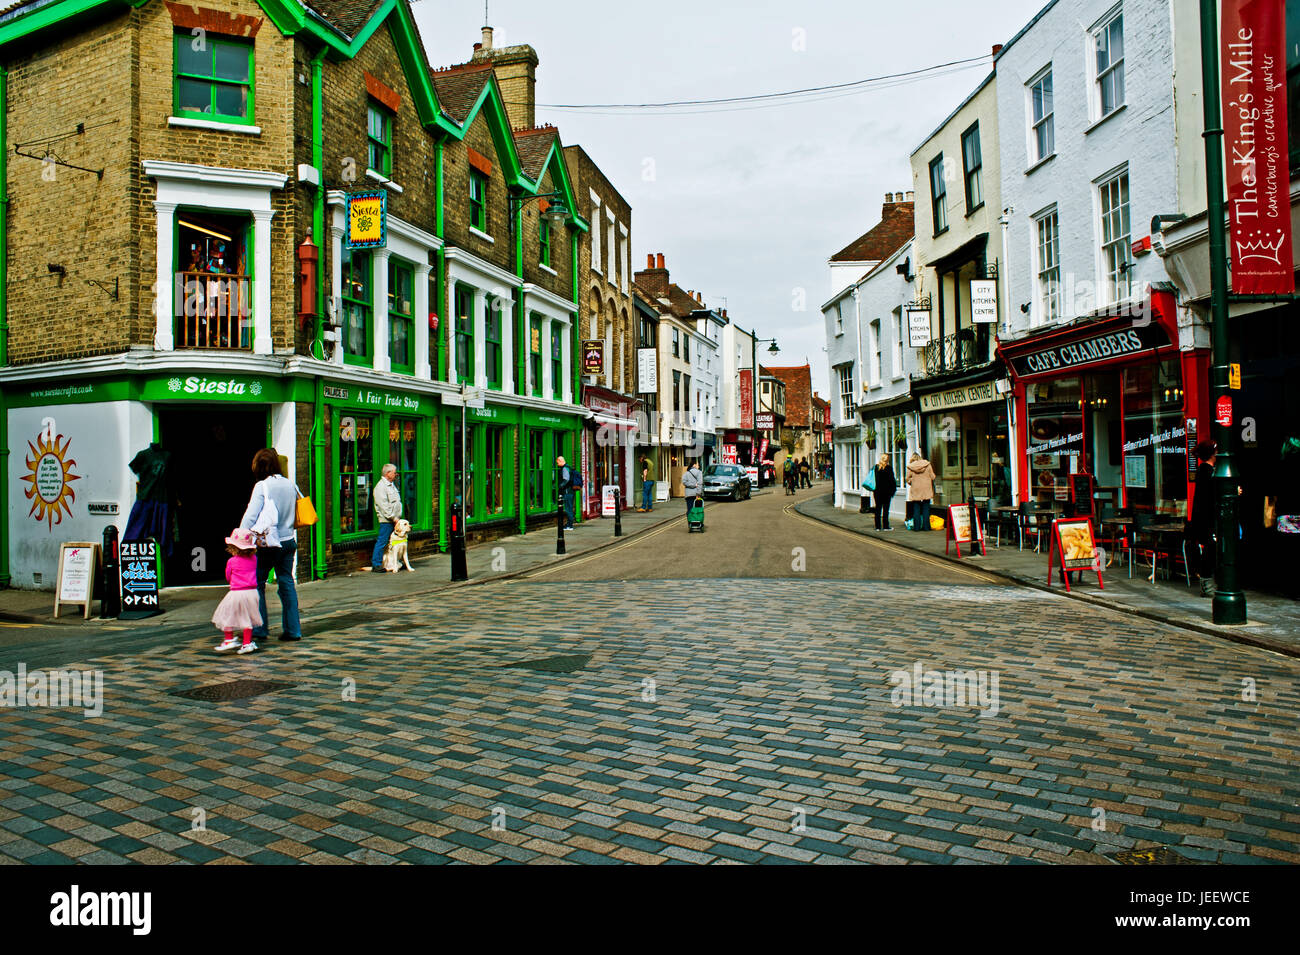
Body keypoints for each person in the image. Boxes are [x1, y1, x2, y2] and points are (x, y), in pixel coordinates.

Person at [239, 448, 302, 642]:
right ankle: (293, 630)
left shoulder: (262, 486)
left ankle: (259, 629)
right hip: (288, 541)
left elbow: (251, 515)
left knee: (257, 584)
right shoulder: (290, 484)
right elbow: (300, 503)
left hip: (268, 544)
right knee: (287, 582)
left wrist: (240, 536)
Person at [212, 528, 263, 655]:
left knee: (227, 614)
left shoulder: (232, 561)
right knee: (248, 618)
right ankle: (247, 643)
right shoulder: (254, 559)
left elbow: (228, 576)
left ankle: (229, 639)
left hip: (237, 592)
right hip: (252, 592)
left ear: (234, 547)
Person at [1187, 441, 1218, 597]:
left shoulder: (1207, 470)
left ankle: (1209, 583)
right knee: (1210, 550)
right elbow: (1210, 496)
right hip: (1207, 519)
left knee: (1212, 550)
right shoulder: (1206, 471)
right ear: (1212, 454)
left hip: (1206, 518)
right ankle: (1206, 584)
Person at [371, 462, 402, 570]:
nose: (396, 474)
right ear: (388, 473)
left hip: (395, 520)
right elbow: (384, 506)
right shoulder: (380, 487)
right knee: (383, 541)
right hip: (387, 520)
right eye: (394, 472)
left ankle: (394, 563)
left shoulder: (391, 485)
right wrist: (394, 518)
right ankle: (376, 564)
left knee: (395, 542)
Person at [906, 452, 937, 532]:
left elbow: (907, 479)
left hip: (916, 489)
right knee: (926, 508)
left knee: (916, 508)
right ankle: (926, 527)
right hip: (926, 489)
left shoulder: (910, 467)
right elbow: (933, 477)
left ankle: (917, 528)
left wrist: (911, 482)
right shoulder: (927, 464)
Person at [873, 453, 898, 531]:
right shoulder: (889, 468)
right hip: (886, 492)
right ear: (887, 460)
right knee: (886, 510)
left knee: (878, 509)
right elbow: (892, 481)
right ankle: (886, 526)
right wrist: (893, 491)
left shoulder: (875, 468)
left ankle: (877, 527)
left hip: (877, 492)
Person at [557, 456, 576, 529]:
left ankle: (570, 525)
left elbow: (566, 479)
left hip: (567, 492)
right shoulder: (568, 467)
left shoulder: (565, 468)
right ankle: (569, 524)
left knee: (568, 508)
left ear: (560, 461)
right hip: (570, 491)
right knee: (569, 508)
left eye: (558, 462)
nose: (557, 464)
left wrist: (560, 486)